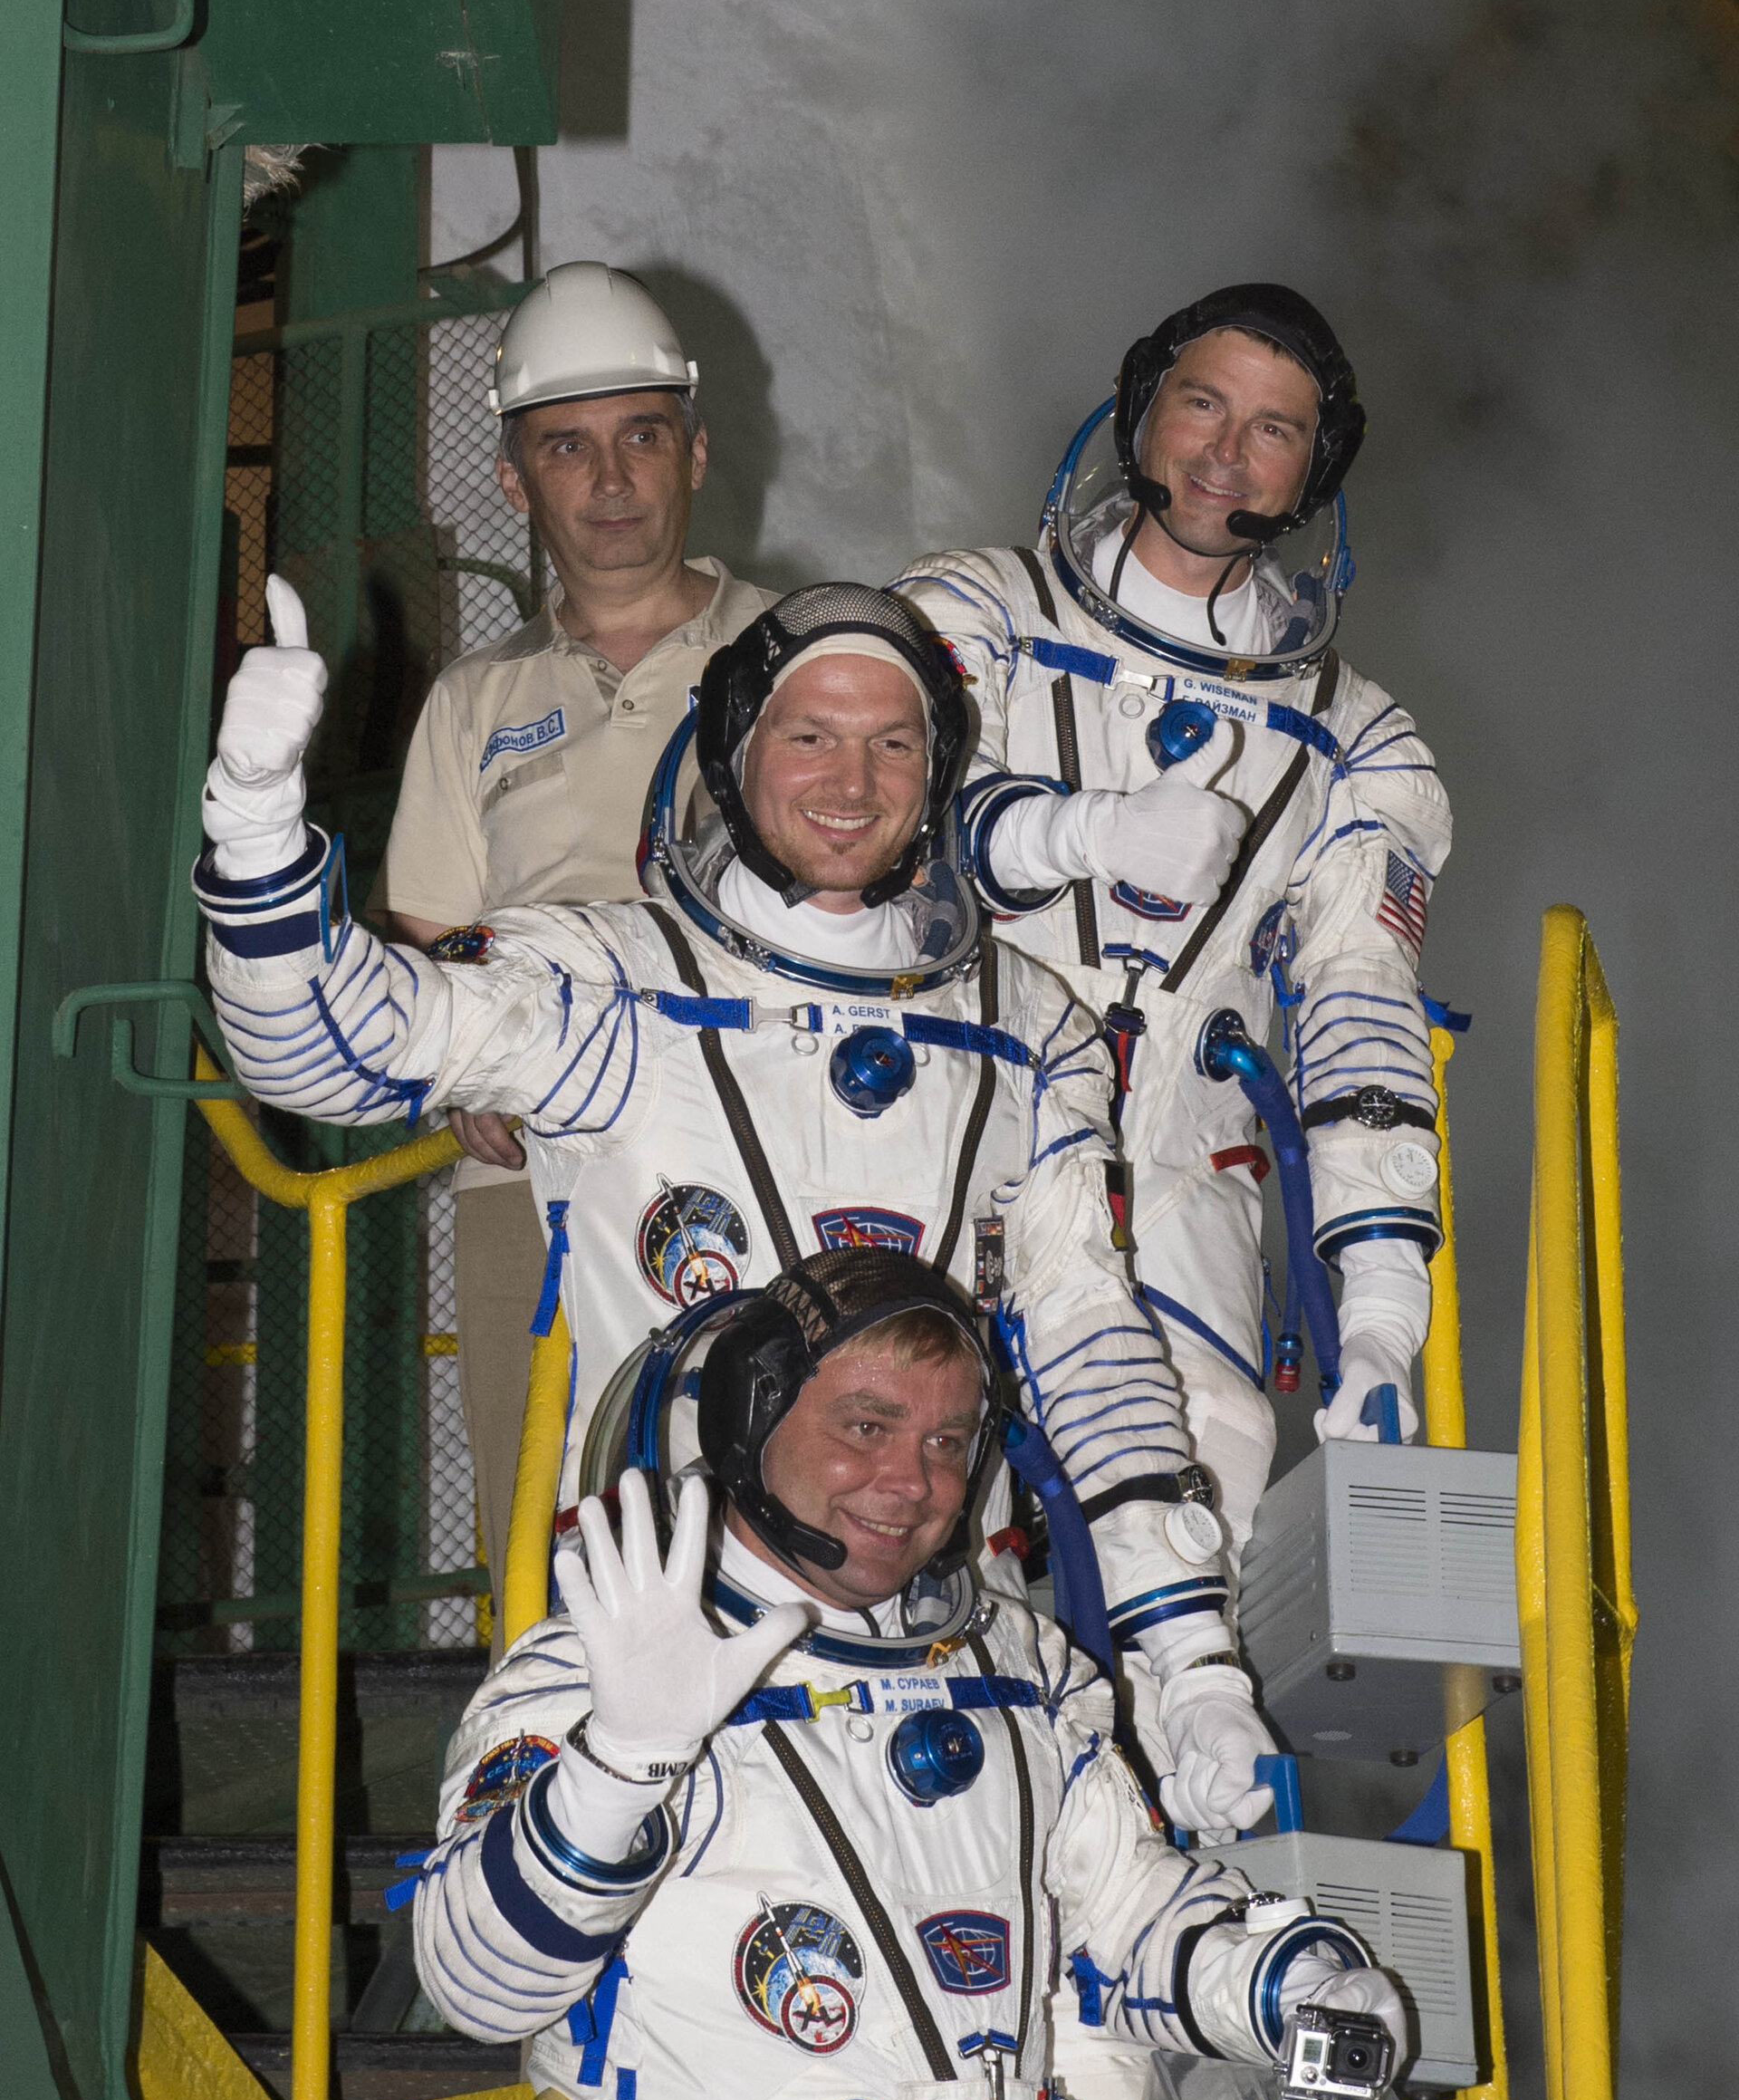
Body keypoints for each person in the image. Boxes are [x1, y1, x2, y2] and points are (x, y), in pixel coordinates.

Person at [195, 575, 1277, 1835]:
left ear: (940, 773)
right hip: (663, 1668)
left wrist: (1191, 1668)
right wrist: (259, 828)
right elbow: (331, 1049)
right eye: (810, 735)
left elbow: (1094, 1355)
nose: (853, 781)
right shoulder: (618, 987)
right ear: (733, 753)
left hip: (961, 1670)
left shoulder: (1031, 1032)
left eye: (894, 742)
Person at [406, 1248, 1411, 2100]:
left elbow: (1141, 1912)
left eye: (946, 1444)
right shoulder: (597, 1671)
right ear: (751, 1418)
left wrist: (1298, 1987)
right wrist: (624, 1763)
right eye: (865, 1426)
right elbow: (475, 1984)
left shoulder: (1021, 1681)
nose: (910, 1481)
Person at [895, 284, 1451, 1603]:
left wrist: (1378, 1322)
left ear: (1316, 472)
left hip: (1186, 1183)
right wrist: (1069, 835)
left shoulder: (1359, 740)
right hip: (957, 1139)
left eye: (1272, 429)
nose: (1223, 451)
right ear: (1142, 413)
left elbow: (1360, 1021)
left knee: (1196, 1514)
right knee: (911, 1506)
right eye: (1202, 403)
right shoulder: (974, 613)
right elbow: (859, 825)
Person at [372, 263, 777, 1595]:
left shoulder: (806, 655)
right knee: (549, 1565)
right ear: (513, 479)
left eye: (640, 436)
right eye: (567, 447)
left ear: (694, 452)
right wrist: (467, 1081)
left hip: (778, 1158)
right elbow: (429, 956)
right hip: (532, 1192)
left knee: (780, 1545)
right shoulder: (475, 703)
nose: (609, 480)